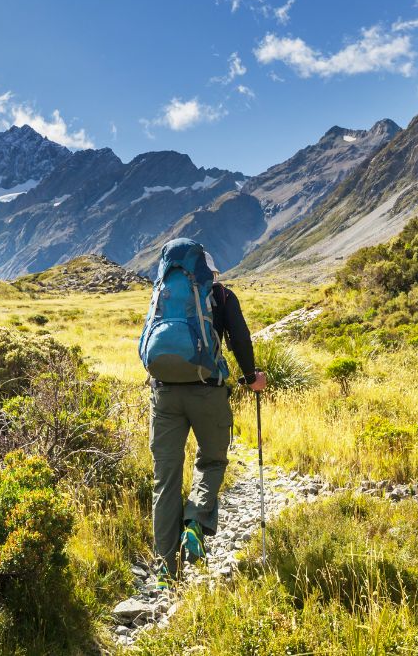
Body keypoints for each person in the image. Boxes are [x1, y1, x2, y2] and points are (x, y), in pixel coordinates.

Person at [141, 243, 265, 590]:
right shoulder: (222, 296)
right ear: (208, 272)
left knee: (164, 480)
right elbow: (240, 338)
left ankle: (165, 570)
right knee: (211, 461)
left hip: (163, 392)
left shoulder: (163, 293)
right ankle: (194, 524)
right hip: (207, 390)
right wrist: (251, 376)